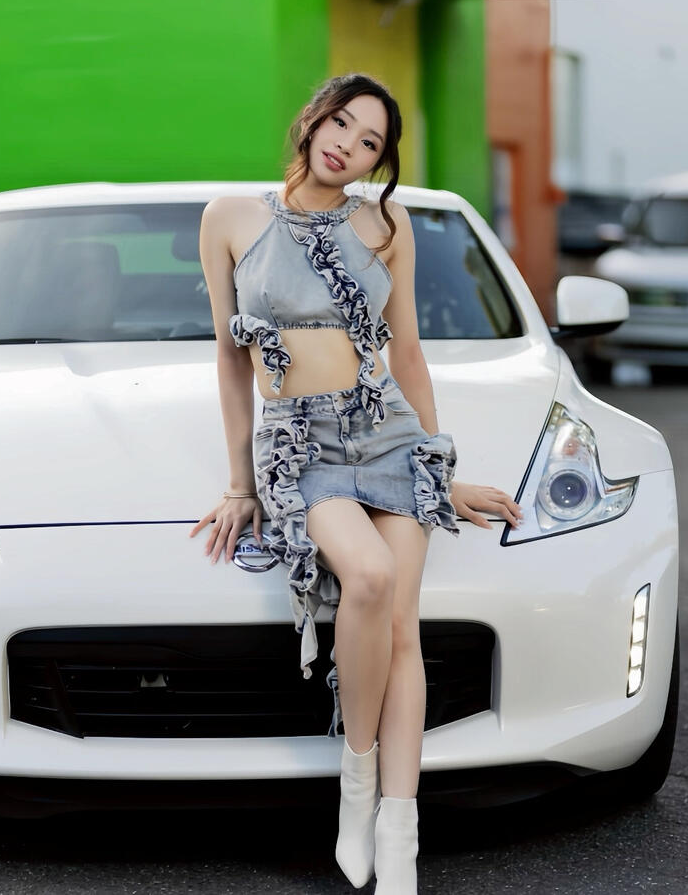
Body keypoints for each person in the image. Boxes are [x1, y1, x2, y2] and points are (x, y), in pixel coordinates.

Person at [191, 73, 522, 893]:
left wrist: (441, 469)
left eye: (370, 141)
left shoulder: (386, 223)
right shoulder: (231, 219)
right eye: (341, 122)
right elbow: (229, 362)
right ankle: (358, 780)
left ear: (381, 160)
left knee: (403, 630)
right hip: (300, 444)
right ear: (311, 118)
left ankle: (400, 835)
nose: (348, 144)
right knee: (368, 578)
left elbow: (406, 351)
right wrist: (239, 483)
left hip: (385, 433)